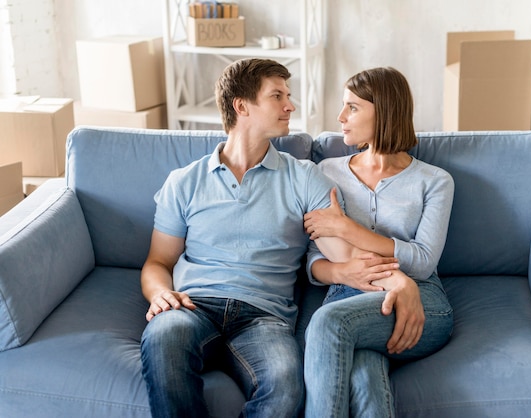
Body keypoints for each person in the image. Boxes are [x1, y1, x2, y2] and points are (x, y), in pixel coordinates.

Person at [139, 58, 343, 418]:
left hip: (264, 316)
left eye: (288, 95)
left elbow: (340, 253)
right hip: (192, 305)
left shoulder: (305, 178)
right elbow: (158, 262)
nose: (290, 105)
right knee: (163, 338)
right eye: (277, 95)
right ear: (242, 106)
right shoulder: (184, 182)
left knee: (285, 384)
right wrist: (160, 294)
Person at [303, 67, 455, 417]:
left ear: (384, 110)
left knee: (329, 324)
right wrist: (344, 272)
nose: (341, 117)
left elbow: (423, 261)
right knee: (362, 373)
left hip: (419, 297)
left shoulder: (434, 182)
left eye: (352, 107)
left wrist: (346, 228)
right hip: (346, 294)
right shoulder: (326, 172)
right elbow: (314, 258)